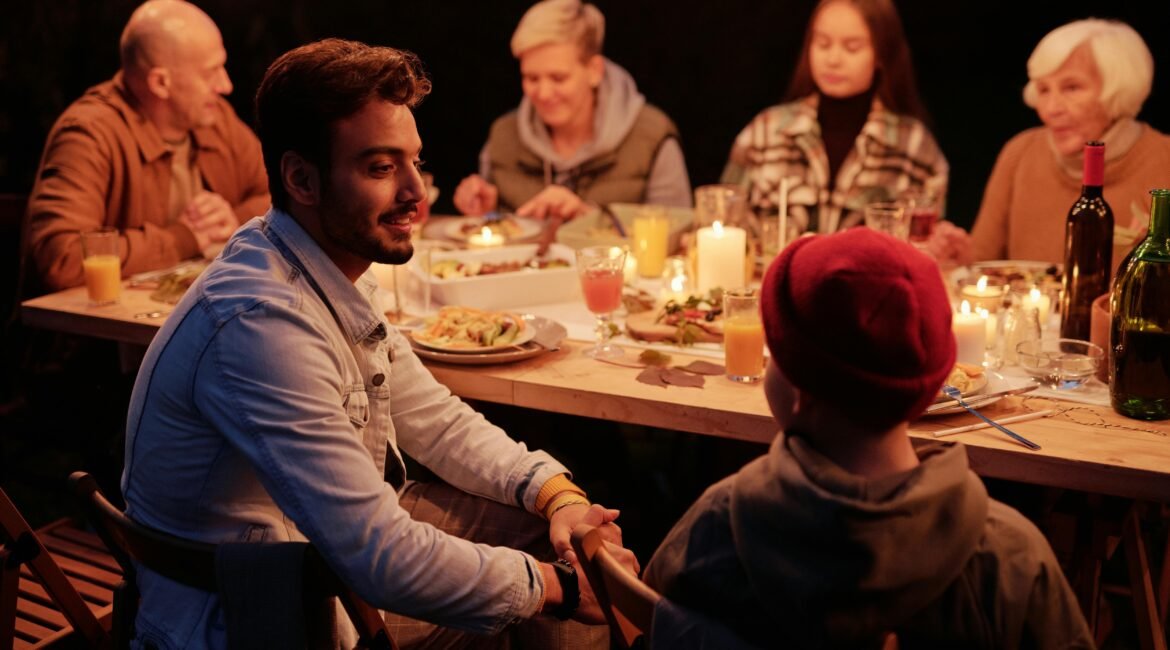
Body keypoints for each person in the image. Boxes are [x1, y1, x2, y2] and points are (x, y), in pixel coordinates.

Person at [121, 38, 634, 649]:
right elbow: (381, 556)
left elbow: (436, 421)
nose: (416, 194)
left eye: (415, 162)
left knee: (578, 545)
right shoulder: (261, 323)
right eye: (381, 168)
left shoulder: (320, 265)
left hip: (314, 561)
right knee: (573, 591)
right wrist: (558, 591)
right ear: (301, 178)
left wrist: (556, 493)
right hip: (261, 610)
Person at [643, 228, 1093, 649]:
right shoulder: (1011, 557)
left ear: (796, 391)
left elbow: (647, 619)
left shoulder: (719, 526)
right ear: (930, 382)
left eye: (775, 353)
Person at [24, 0, 269, 293]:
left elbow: (280, 196)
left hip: (194, 320)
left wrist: (233, 220)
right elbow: (63, 258)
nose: (225, 85)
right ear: (160, 83)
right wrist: (183, 237)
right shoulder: (89, 133)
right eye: (211, 72)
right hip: (103, 334)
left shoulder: (216, 119)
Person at [931, 19, 1170, 269]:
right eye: (1043, 90)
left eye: (1072, 88)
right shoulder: (1021, 152)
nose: (1050, 109)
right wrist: (958, 261)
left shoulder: (1164, 159)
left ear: (1118, 89)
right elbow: (983, 262)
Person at [722, 0, 947, 235]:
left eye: (852, 47)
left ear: (881, 54)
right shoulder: (766, 131)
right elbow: (721, 221)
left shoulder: (914, 145)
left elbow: (927, 249)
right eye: (823, 43)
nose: (833, 59)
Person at [453, 0, 691, 221]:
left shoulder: (651, 137)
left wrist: (588, 221)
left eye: (558, 78)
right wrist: (488, 212)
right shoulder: (503, 137)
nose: (543, 93)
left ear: (594, 71)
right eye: (531, 78)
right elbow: (495, 241)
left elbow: (677, 234)